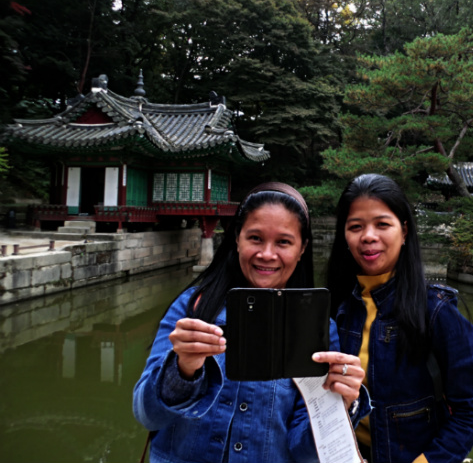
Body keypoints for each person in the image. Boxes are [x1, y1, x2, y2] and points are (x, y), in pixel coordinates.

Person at [133, 182, 368, 463]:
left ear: (302, 247)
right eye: (255, 238)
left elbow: (305, 452)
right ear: (237, 238)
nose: (267, 254)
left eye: (283, 242)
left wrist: (341, 403)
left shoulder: (317, 329)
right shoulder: (193, 307)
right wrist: (182, 370)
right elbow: (147, 416)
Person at [327, 174, 473, 463]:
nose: (368, 236)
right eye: (355, 227)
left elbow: (471, 413)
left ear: (403, 232)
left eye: (382, 224)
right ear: (344, 236)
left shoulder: (437, 312)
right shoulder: (335, 306)